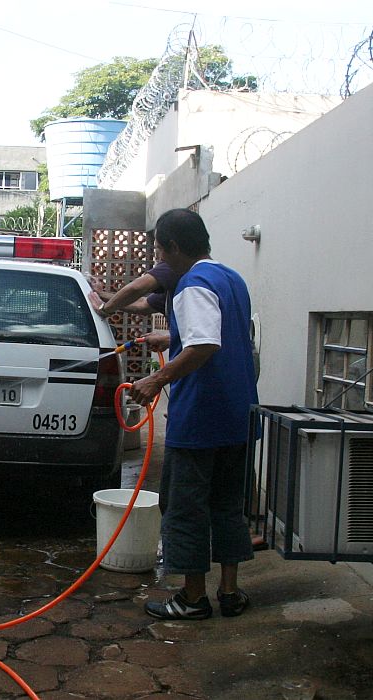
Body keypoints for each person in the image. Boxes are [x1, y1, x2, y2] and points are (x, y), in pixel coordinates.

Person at [128, 208, 258, 621]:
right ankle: (230, 592)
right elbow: (219, 334)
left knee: (184, 507)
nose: (159, 260)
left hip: (201, 417)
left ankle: (192, 598)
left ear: (173, 248)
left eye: (160, 252)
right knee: (226, 504)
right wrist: (170, 336)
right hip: (238, 415)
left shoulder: (191, 285)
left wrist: (157, 380)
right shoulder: (231, 279)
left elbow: (204, 346)